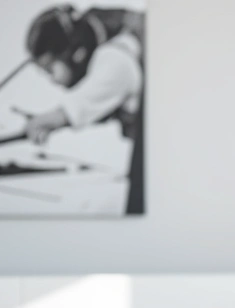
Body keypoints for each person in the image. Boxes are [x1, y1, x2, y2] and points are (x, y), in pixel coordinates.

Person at [18, 4, 145, 214]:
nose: (52, 79)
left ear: (76, 52)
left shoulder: (116, 55)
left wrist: (44, 121)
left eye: (50, 69)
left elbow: (79, 104)